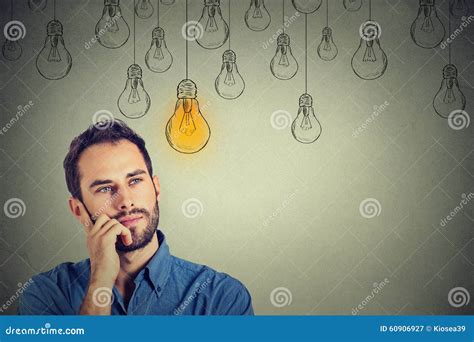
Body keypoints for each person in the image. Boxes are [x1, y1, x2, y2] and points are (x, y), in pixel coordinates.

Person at [18, 119, 253, 315]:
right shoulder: (45, 295)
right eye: (105, 189)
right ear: (78, 210)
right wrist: (100, 281)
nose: (126, 201)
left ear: (156, 188)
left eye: (135, 181)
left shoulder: (222, 298)